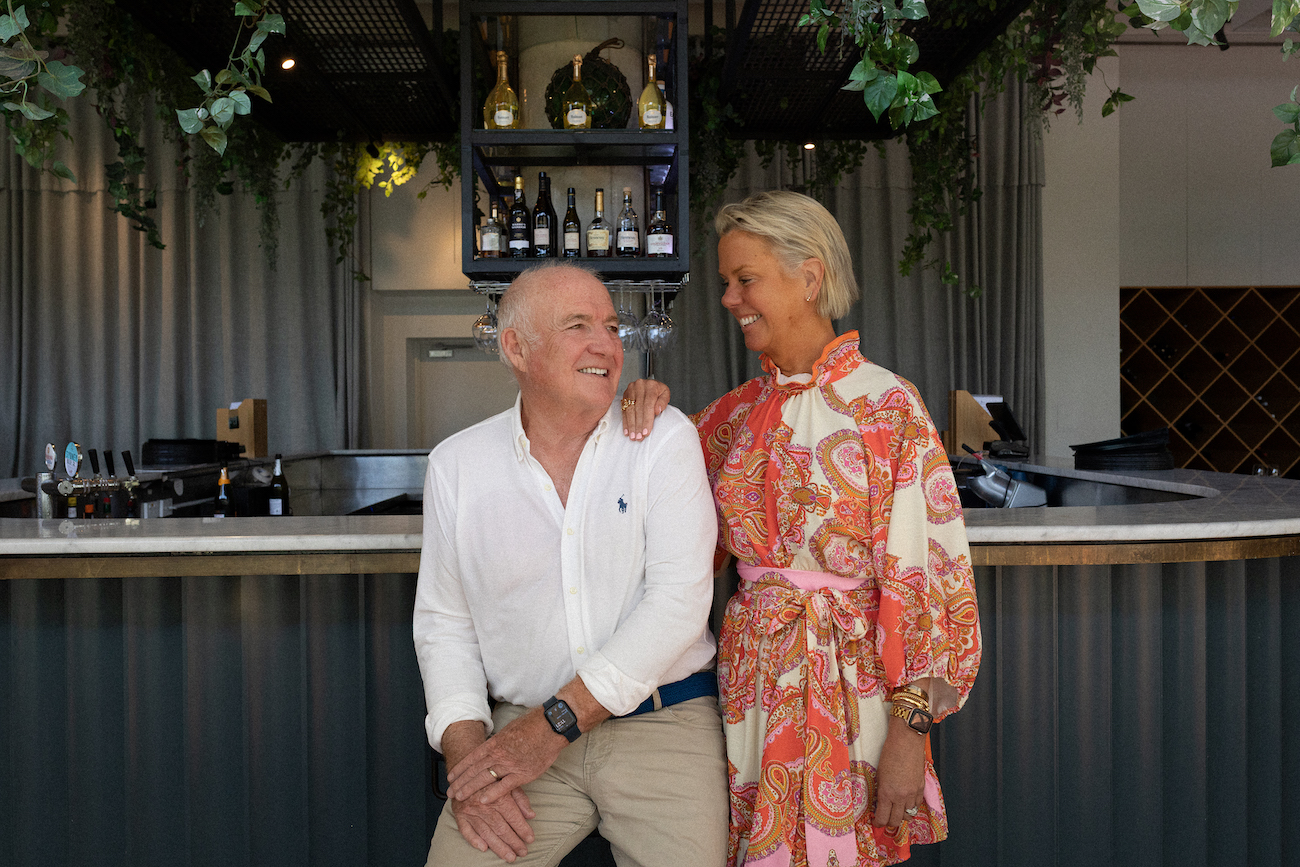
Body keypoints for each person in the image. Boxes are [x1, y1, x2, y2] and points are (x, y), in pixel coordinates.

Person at [620, 190, 982, 867]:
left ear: (809, 276)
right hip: (751, 682)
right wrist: (645, 410)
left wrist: (910, 734)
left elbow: (928, 579)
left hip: (854, 687)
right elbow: (654, 510)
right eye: (727, 281)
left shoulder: (886, 405)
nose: (729, 297)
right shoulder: (734, 413)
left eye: (745, 279)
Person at [413, 261, 728, 867]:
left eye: (611, 327)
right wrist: (467, 759)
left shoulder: (663, 441)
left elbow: (679, 605)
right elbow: (445, 626)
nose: (605, 345)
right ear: (516, 348)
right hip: (518, 725)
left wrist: (554, 725)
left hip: (662, 725)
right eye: (577, 325)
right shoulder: (457, 465)